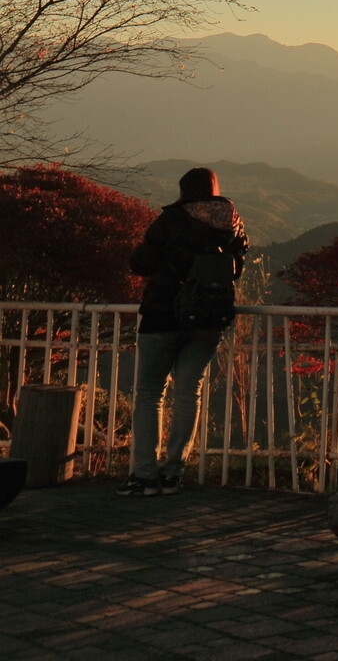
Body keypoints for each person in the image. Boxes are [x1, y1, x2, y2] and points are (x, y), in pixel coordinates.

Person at [121, 167, 248, 497]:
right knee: (189, 393)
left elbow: (141, 262)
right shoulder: (232, 221)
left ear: (184, 189)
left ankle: (145, 477)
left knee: (150, 394)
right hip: (208, 317)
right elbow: (236, 267)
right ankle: (173, 474)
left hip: (163, 314)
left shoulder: (172, 220)